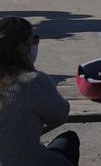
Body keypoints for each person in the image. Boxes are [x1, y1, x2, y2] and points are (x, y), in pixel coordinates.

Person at [0, 16, 80, 165]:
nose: (36, 43)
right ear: (22, 48)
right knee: (69, 140)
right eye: (34, 39)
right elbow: (60, 115)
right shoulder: (33, 81)